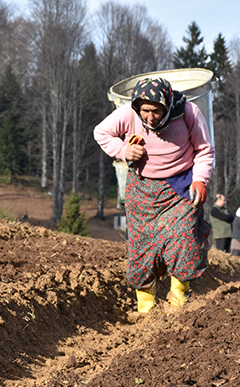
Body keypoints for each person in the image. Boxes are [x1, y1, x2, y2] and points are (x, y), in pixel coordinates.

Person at [93, 77, 214, 312]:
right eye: (145, 111)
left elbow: (204, 149)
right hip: (142, 189)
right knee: (142, 245)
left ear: (167, 105)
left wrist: (200, 179)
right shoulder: (128, 113)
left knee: (185, 237)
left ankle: (178, 297)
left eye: (156, 111)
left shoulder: (189, 112)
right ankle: (145, 307)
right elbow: (101, 133)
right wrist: (124, 150)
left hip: (180, 186)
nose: (149, 117)